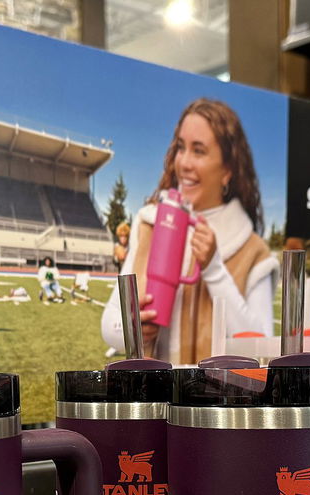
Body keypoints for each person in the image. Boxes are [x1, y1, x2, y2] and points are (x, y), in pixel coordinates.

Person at [101, 98, 276, 363]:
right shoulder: (149, 223)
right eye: (181, 148)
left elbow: (261, 349)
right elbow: (109, 324)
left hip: (217, 403)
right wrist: (132, 329)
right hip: (157, 402)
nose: (183, 163)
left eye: (199, 151)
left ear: (227, 169)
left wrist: (214, 269)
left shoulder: (252, 252)